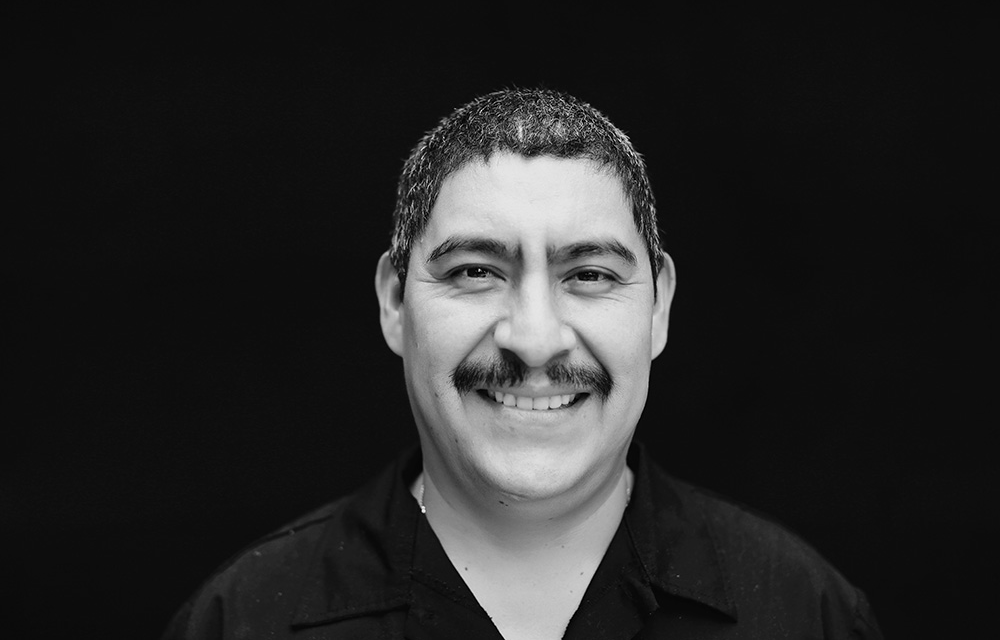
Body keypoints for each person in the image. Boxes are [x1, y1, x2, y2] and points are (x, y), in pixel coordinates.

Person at [162, 88, 883, 639]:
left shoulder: (806, 613)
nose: (534, 340)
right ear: (394, 302)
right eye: (475, 271)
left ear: (658, 306)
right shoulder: (240, 621)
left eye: (589, 274)